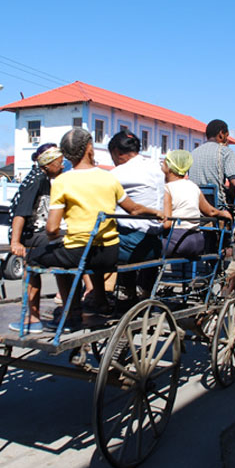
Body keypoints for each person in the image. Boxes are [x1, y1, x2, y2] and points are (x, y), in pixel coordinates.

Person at [14, 128, 162, 333]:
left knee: (38, 258)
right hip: (108, 254)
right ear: (90, 149)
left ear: (65, 155)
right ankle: (99, 301)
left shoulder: (63, 181)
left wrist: (54, 236)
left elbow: (52, 227)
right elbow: (134, 209)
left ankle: (38, 318)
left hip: (79, 253)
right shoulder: (109, 178)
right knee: (77, 254)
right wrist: (156, 212)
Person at [7, 143, 65, 325]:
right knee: (70, 244)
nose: (62, 166)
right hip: (29, 234)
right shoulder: (37, 180)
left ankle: (68, 305)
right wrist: (16, 242)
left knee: (68, 244)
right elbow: (21, 212)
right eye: (59, 163)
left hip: (39, 231)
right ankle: (33, 317)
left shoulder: (45, 179)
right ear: (47, 165)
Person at [107, 130, 165, 303]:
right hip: (156, 241)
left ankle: (99, 295)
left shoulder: (117, 174)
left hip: (134, 243)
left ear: (117, 152)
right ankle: (139, 291)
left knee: (94, 246)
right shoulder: (157, 167)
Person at [161, 150, 232, 257]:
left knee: (145, 250)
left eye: (165, 161)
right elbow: (210, 211)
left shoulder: (166, 188)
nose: (162, 163)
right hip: (197, 241)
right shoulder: (193, 186)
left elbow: (167, 224)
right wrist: (223, 213)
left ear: (170, 167)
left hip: (177, 241)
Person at [189, 119, 235, 207]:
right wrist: (230, 200)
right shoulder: (225, 152)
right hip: (217, 204)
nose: (226, 139)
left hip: (196, 202)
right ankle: (231, 218)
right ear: (221, 134)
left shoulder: (193, 153)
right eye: (226, 136)